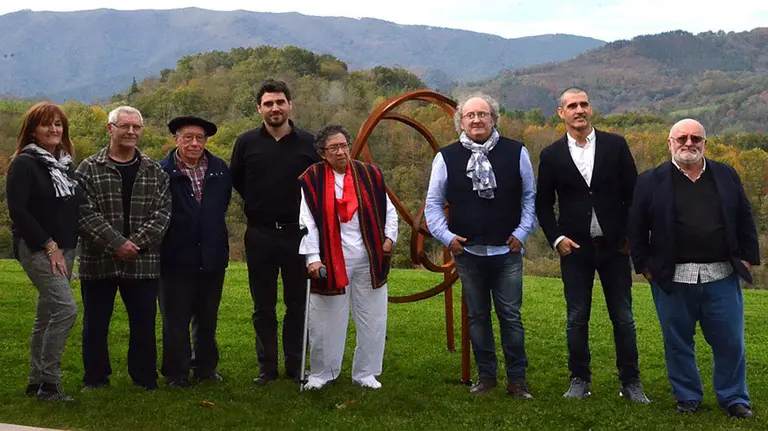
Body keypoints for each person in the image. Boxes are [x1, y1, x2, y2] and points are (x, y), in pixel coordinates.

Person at [628, 119, 759, 418]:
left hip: (721, 275)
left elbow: (744, 216)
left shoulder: (725, 174)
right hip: (672, 277)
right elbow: (636, 228)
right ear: (670, 143)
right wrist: (645, 267)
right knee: (677, 341)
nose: (689, 143)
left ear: (705, 143)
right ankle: (687, 396)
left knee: (730, 341)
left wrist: (749, 256)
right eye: (682, 138)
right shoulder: (651, 180)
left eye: (695, 138)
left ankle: (734, 398)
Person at [535, 87, 649, 402]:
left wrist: (629, 237)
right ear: (561, 113)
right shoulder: (552, 155)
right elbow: (543, 204)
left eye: (584, 104)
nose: (579, 110)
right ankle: (579, 380)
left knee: (623, 317)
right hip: (576, 250)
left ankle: (631, 382)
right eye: (572, 105)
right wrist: (556, 239)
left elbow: (634, 194)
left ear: (591, 109)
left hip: (614, 248)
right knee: (577, 317)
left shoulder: (615, 145)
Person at [425, 94, 536, 397]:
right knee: (477, 317)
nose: (477, 120)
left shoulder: (516, 152)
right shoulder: (446, 157)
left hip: (507, 252)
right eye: (470, 115)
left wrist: (522, 233)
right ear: (460, 121)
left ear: (493, 118)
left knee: (511, 317)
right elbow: (432, 205)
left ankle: (517, 380)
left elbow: (529, 198)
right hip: (469, 254)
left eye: (483, 114)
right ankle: (486, 377)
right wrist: (447, 238)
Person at [230, 79, 320, 385]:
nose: (275, 108)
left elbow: (318, 187)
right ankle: (266, 368)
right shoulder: (246, 143)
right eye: (268, 103)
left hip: (299, 235)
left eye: (280, 102)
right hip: (260, 234)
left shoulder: (309, 143)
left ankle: (296, 366)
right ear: (259, 108)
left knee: (298, 305)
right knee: (263, 306)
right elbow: (239, 181)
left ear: (290, 105)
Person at [76, 106, 171, 391]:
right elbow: (84, 213)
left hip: (143, 262)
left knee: (143, 324)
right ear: (110, 129)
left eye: (136, 127)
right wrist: (117, 243)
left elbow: (163, 214)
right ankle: (95, 378)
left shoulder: (154, 171)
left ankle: (144, 378)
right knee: (95, 324)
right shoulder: (89, 168)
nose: (131, 132)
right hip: (99, 260)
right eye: (124, 126)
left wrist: (135, 244)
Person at [298, 125, 398, 390]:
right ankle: (322, 373)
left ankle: (366, 372)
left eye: (344, 145)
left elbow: (389, 210)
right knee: (326, 318)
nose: (341, 152)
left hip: (370, 258)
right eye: (334, 148)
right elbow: (307, 222)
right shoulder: (312, 179)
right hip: (331, 260)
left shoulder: (370, 174)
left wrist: (389, 238)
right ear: (322, 153)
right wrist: (313, 259)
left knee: (373, 316)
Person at [6, 102, 80, 402]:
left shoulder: (64, 164)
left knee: (47, 314)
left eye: (58, 124)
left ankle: (35, 380)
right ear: (32, 130)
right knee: (65, 309)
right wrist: (50, 247)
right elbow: (19, 212)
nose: (54, 129)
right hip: (39, 248)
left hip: (67, 246)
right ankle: (50, 384)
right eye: (47, 124)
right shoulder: (23, 164)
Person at [158, 116, 232, 388]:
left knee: (207, 317)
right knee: (175, 319)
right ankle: (176, 373)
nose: (193, 143)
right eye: (187, 137)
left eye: (199, 138)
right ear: (176, 139)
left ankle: (205, 368)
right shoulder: (162, 171)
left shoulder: (219, 169)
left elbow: (220, 206)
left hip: (212, 256)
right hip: (175, 257)